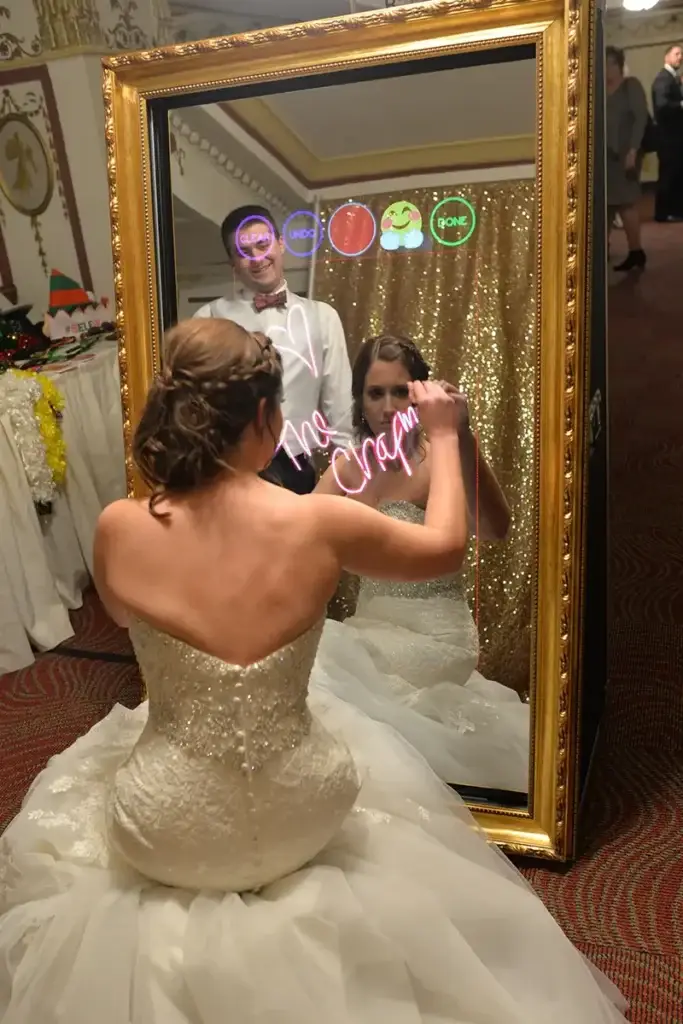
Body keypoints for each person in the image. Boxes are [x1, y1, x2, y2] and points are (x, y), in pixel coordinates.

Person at [0, 319, 628, 1023]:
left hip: (167, 827)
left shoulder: (119, 526)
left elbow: (118, 612)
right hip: (301, 809)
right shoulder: (316, 524)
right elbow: (448, 546)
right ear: (267, 419)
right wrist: (448, 435)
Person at [314, 334, 530, 793]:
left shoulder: (443, 461)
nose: (388, 407)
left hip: (438, 635)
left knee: (332, 667)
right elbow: (299, 536)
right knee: (316, 658)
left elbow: (495, 529)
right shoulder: (347, 469)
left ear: (420, 393)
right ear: (360, 400)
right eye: (375, 393)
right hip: (370, 628)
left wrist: (461, 436)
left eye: (400, 391)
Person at [193, 203, 353, 493]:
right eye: (244, 252)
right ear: (232, 262)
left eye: (263, 244)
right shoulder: (208, 318)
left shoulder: (323, 317)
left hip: (297, 468)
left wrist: (344, 474)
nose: (257, 258)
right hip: (229, 471)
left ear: (280, 244)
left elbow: (339, 404)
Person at [605, 46, 649, 270]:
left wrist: (633, 150)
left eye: (610, 64)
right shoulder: (597, 90)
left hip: (626, 155)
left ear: (618, 65)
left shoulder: (630, 86)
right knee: (604, 205)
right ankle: (602, 249)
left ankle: (636, 251)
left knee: (626, 202)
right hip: (604, 157)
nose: (606, 69)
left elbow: (641, 118)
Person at [652, 44, 683, 223]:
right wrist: (681, 105)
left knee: (675, 174)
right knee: (668, 175)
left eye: (681, 54)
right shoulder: (663, 79)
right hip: (668, 138)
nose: (680, 57)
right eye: (677, 54)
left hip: (673, 137)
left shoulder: (671, 78)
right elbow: (662, 106)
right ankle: (663, 213)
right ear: (667, 57)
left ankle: (673, 211)